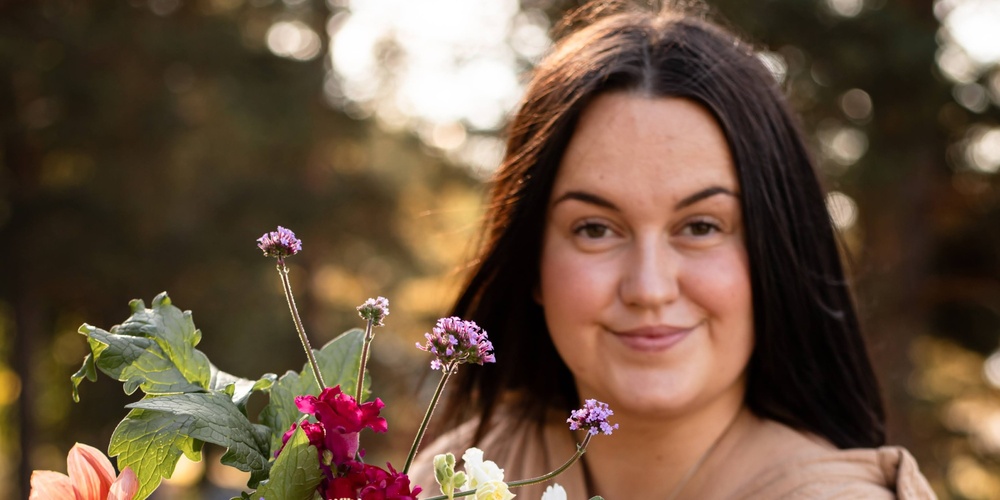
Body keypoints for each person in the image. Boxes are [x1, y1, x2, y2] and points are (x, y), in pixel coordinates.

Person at [410, 1, 936, 498]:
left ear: (774, 254)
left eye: (701, 226)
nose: (649, 288)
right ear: (532, 263)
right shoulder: (449, 480)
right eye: (595, 229)